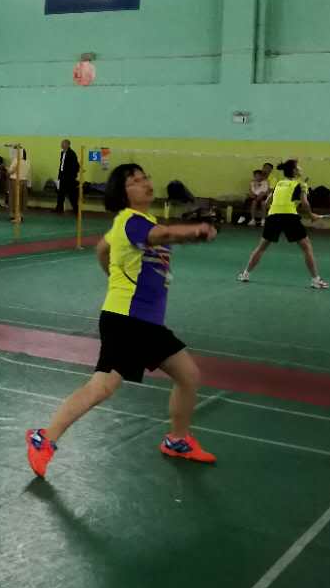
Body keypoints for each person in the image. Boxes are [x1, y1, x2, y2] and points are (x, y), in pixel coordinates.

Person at [25, 162, 218, 478]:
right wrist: (195, 231)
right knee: (102, 386)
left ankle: (177, 440)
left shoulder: (132, 223)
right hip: (126, 319)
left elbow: (102, 249)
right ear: (122, 192)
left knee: (188, 375)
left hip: (146, 322)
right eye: (135, 181)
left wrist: (114, 274)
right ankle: (43, 438)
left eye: (145, 177)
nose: (145, 183)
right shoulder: (131, 221)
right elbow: (164, 234)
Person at [237, 159, 328, 289]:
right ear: (294, 171)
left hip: (273, 216)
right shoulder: (301, 184)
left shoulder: (279, 183)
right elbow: (305, 203)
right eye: (298, 167)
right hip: (290, 217)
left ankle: (245, 274)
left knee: (261, 247)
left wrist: (278, 210)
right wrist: (312, 215)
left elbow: (267, 203)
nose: (300, 168)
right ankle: (315, 280)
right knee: (307, 248)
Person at [56, 139, 80, 215]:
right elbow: (62, 165)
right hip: (62, 177)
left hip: (69, 178)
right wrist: (59, 176)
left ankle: (77, 210)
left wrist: (72, 176)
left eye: (63, 143)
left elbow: (76, 166)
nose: (61, 145)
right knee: (60, 194)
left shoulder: (72, 154)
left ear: (68, 145)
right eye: (61, 143)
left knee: (72, 195)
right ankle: (59, 209)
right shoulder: (62, 153)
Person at [9, 146, 30, 220]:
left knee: (14, 199)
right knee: (22, 199)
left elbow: (11, 171)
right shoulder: (27, 161)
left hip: (15, 181)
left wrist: (6, 169)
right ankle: (21, 215)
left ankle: (14, 215)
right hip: (24, 181)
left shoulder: (16, 160)